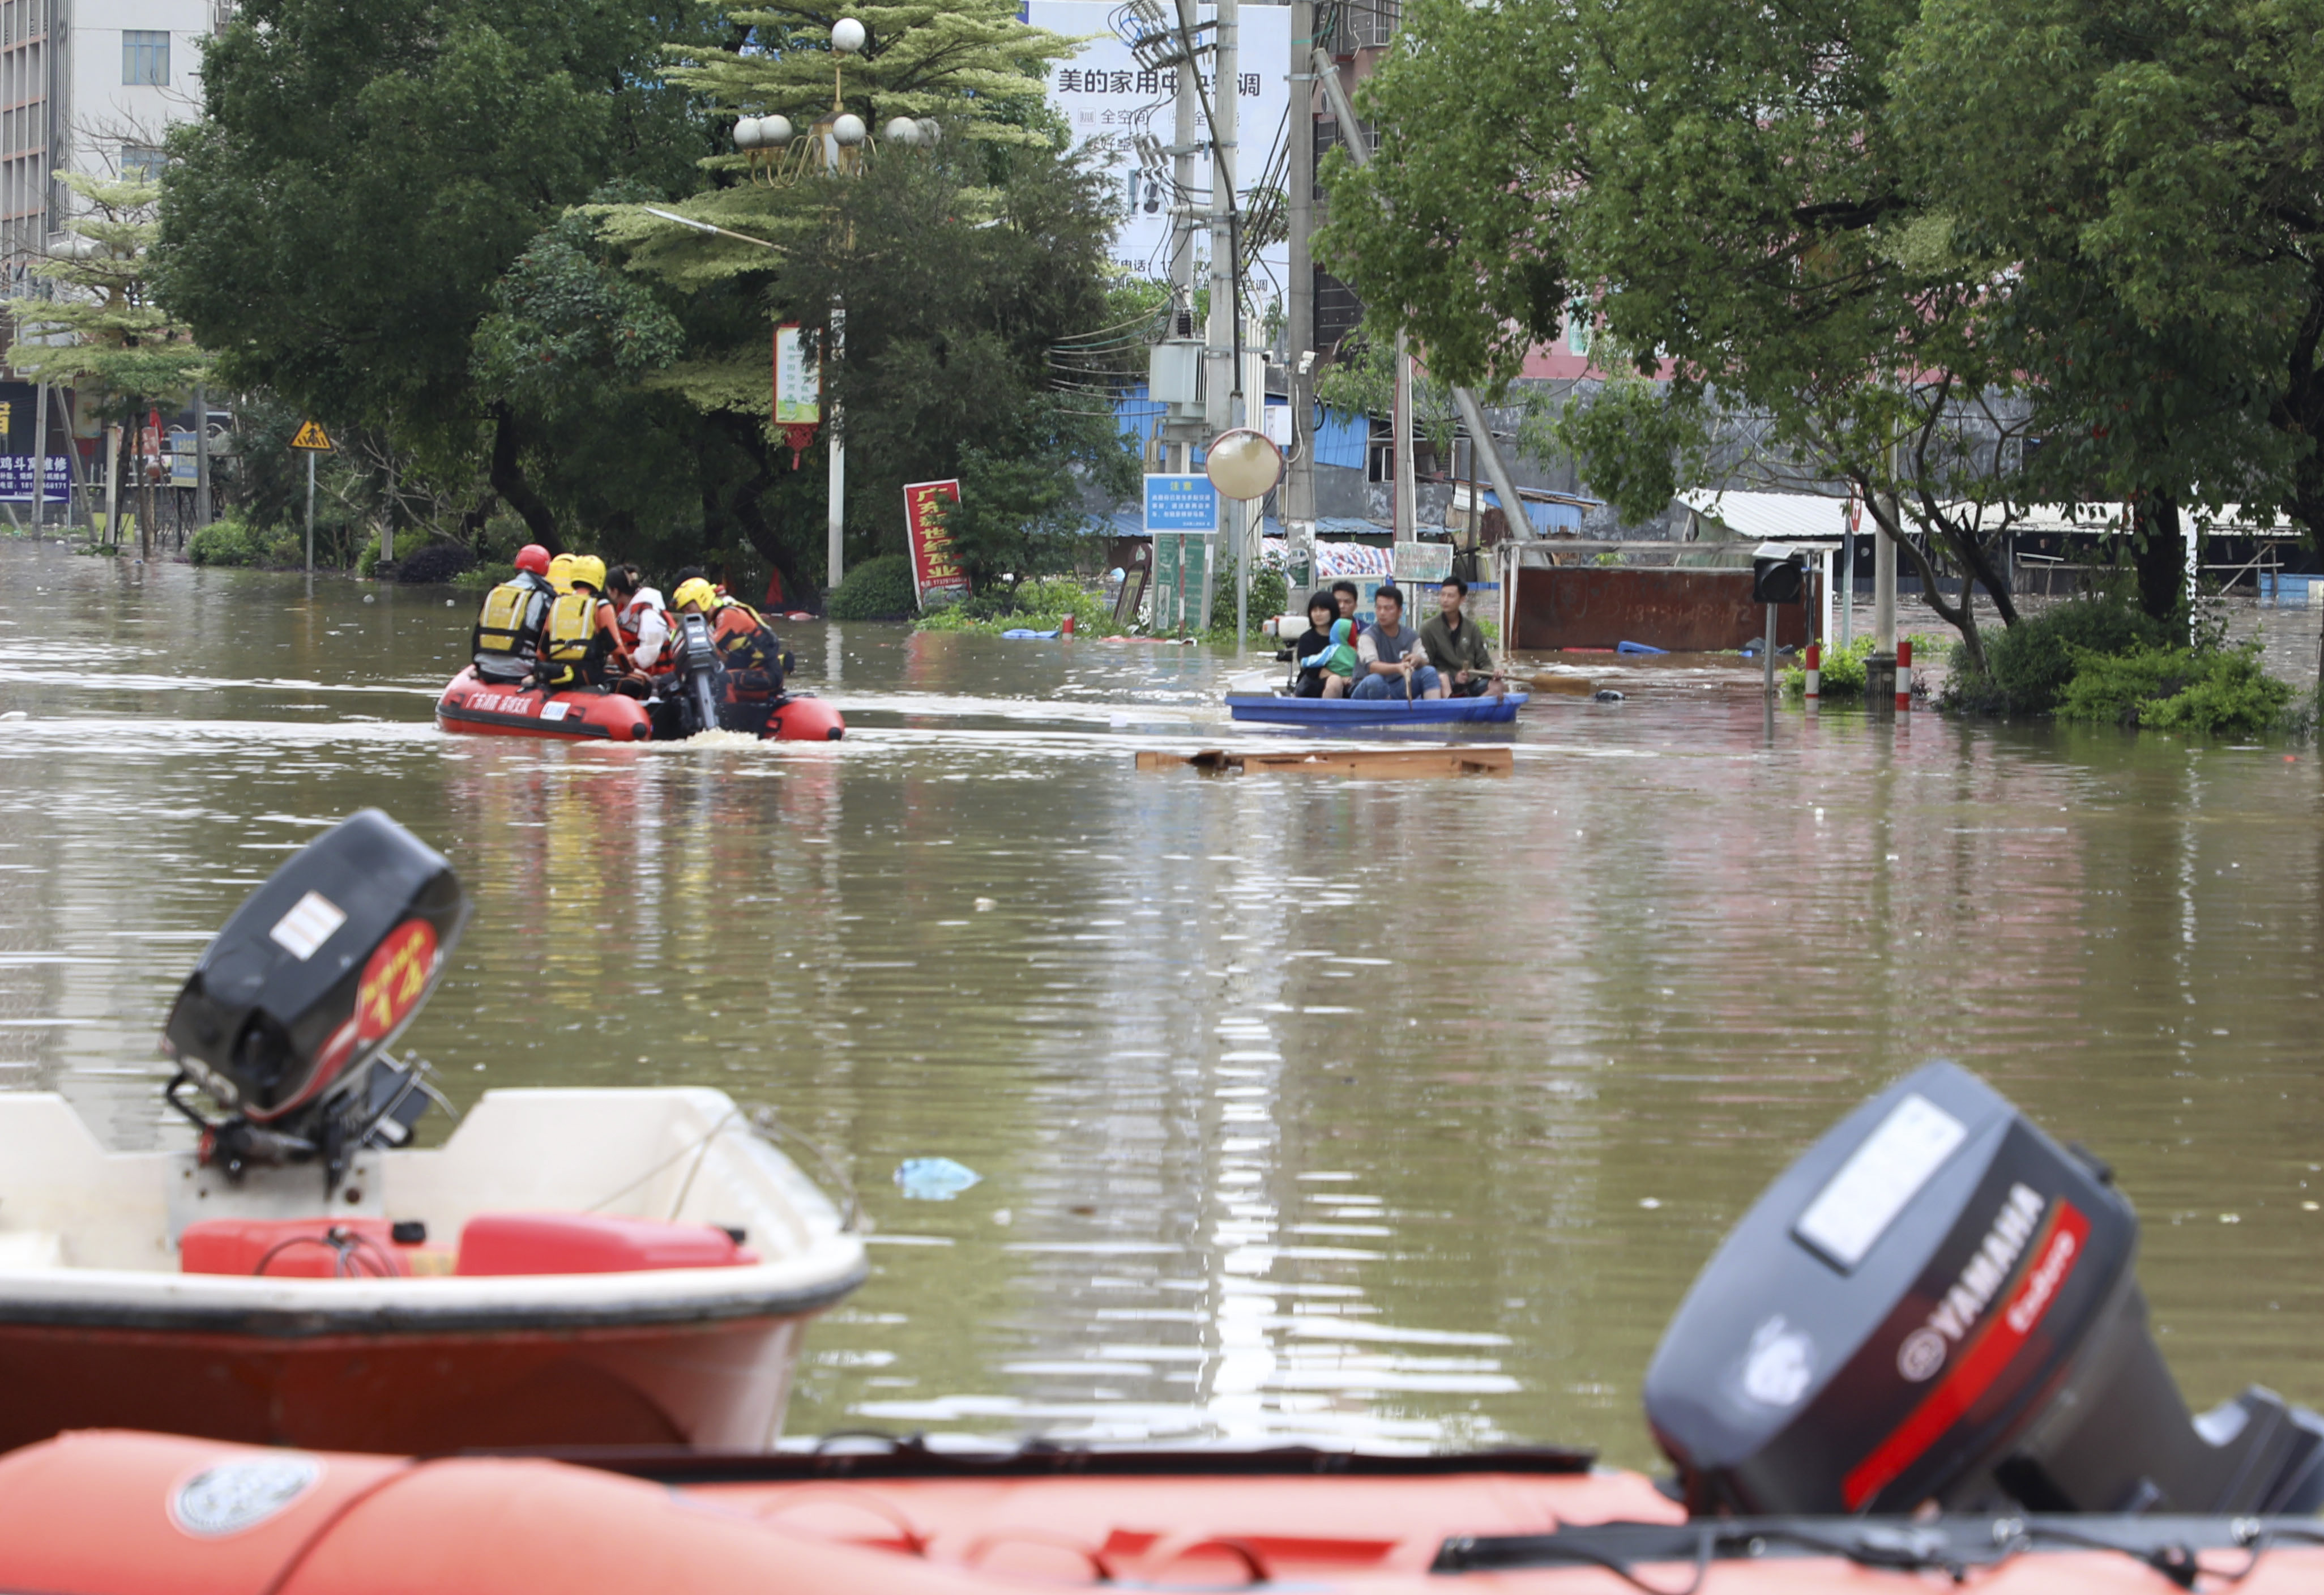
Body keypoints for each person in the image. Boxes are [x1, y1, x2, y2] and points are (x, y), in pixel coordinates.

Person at [673, 576, 785, 733]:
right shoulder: (715, 620)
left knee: (721, 681)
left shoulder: (729, 615)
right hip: (751, 672)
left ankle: (729, 728)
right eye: (684, 612)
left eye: (689, 609)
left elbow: (709, 652)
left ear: (703, 601)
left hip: (768, 675)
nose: (687, 615)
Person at [534, 556, 629, 691]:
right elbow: (617, 649)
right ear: (599, 578)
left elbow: (542, 653)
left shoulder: (557, 604)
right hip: (587, 675)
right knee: (638, 682)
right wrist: (629, 670)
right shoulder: (601, 606)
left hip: (557, 675)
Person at [469, 544, 555, 683]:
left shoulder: (495, 592)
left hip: (486, 669)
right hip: (521, 672)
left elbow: (476, 636)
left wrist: (479, 666)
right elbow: (547, 640)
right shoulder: (543, 597)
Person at [1352, 585, 1443, 700]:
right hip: (1366, 690)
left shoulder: (1411, 635)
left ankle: (1432, 715)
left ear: (1400, 611)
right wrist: (1398, 668)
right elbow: (1372, 667)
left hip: (1398, 687)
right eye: (1378, 608)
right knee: (1376, 681)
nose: (1382, 613)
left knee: (1429, 672)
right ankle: (1387, 717)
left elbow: (1425, 660)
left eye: (1388, 608)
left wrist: (1417, 660)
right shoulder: (1368, 636)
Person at [1419, 577, 1504, 698]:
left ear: (1462, 599)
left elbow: (1484, 662)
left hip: (1470, 683)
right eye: (1443, 595)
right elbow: (1426, 666)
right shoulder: (1428, 628)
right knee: (1441, 680)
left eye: (1451, 596)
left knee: (1498, 685)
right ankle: (1465, 707)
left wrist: (1493, 672)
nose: (1445, 600)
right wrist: (1454, 677)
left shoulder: (1472, 628)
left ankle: (1475, 705)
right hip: (1444, 683)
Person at [606, 563, 670, 677]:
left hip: (657, 678)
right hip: (638, 672)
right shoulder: (626, 609)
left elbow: (650, 652)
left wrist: (620, 660)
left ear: (615, 591)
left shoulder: (648, 612)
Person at [1287, 591, 1342, 697]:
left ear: (1333, 611)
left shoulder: (1341, 637)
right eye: (1314, 610)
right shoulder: (1306, 639)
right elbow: (1311, 670)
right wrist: (1339, 678)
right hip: (1311, 685)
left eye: (1322, 610)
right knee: (1335, 681)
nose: (1318, 614)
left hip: (1339, 685)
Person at [1301, 617, 1360, 698]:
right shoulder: (1356, 651)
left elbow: (1319, 660)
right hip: (1351, 681)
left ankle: (1296, 696)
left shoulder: (1332, 649)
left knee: (1307, 679)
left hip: (1333, 681)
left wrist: (1305, 661)